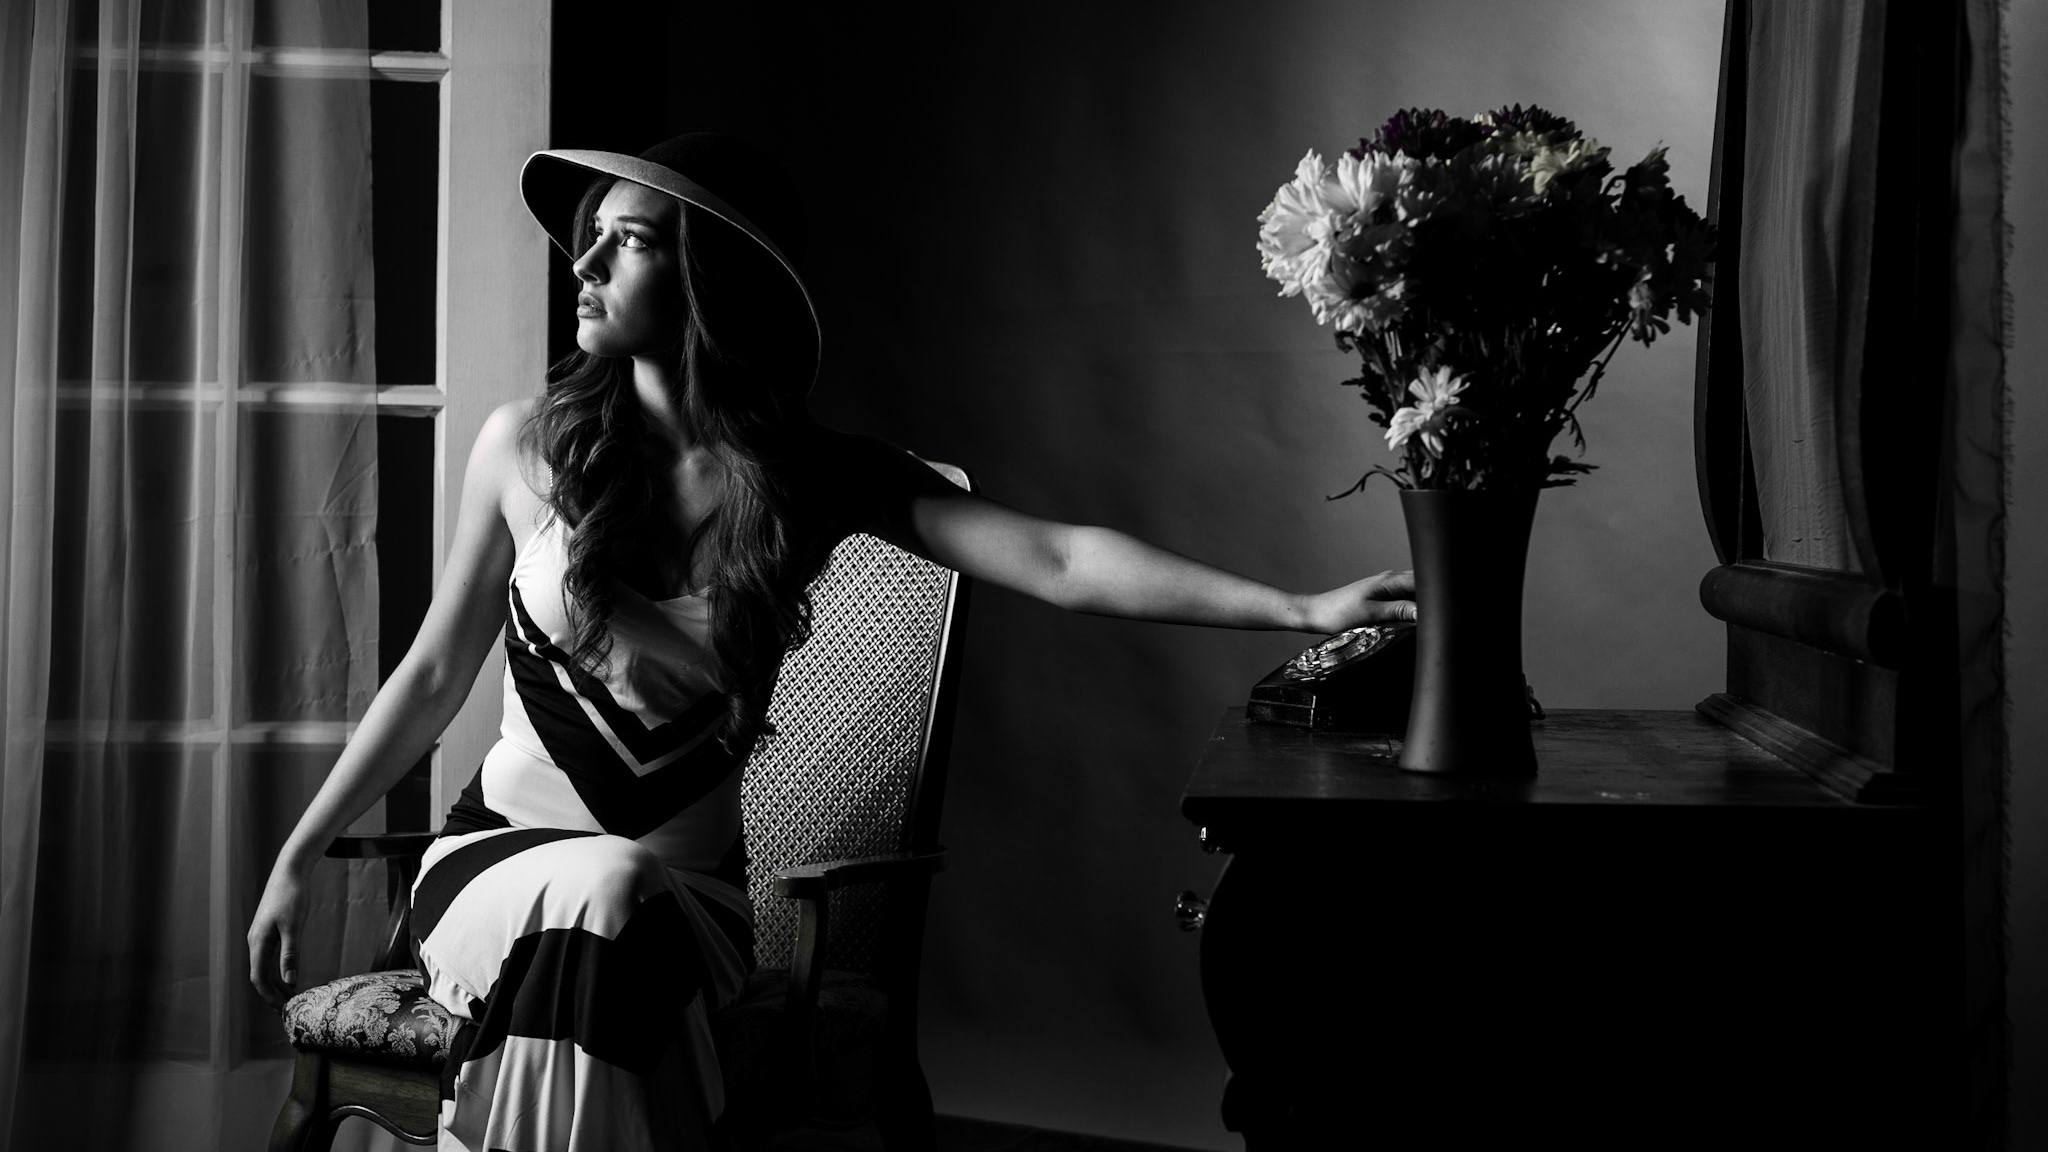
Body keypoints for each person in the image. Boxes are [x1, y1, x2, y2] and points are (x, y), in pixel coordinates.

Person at [245, 132, 1416, 1151]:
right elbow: (432, 673)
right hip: (490, 872)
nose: (584, 265)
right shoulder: (523, 446)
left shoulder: (811, 481)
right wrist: (299, 852)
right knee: (603, 894)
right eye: (587, 238)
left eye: (627, 241)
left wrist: (1299, 609)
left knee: (621, 901)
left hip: (689, 906)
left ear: (708, 278)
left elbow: (1059, 560)